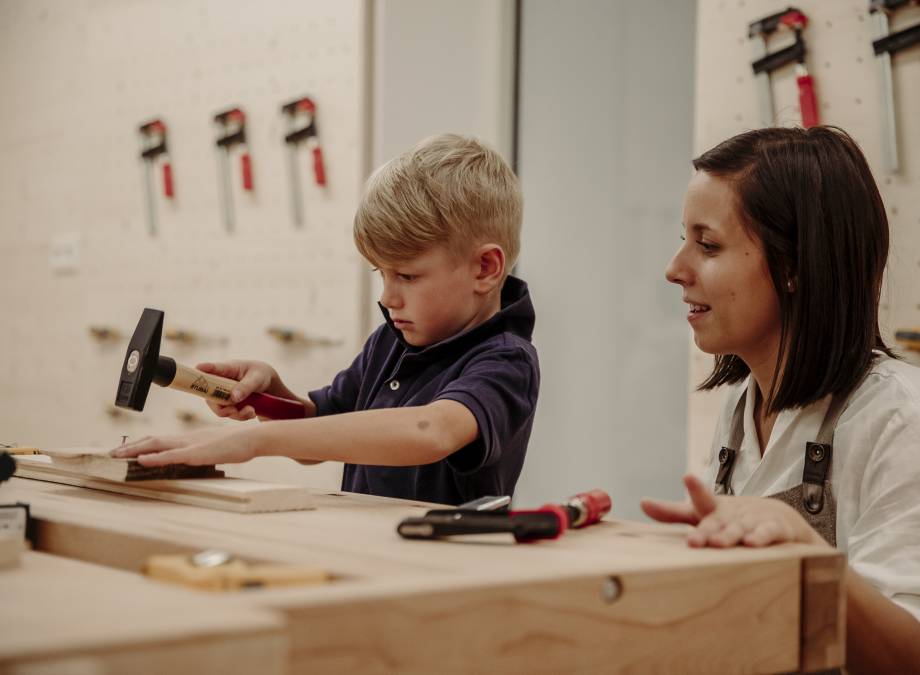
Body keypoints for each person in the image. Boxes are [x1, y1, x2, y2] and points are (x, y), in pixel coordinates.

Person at [113, 134, 540, 505]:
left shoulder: (506, 361)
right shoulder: (390, 343)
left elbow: (432, 430)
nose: (388, 297)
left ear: (485, 268)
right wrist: (271, 396)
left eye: (407, 276)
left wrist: (254, 442)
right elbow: (315, 436)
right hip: (369, 553)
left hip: (448, 573)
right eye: (381, 274)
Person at [641, 126, 920, 673]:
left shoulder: (899, 420)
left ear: (793, 267)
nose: (675, 270)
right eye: (684, 239)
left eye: (708, 245)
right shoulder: (742, 409)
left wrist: (805, 555)